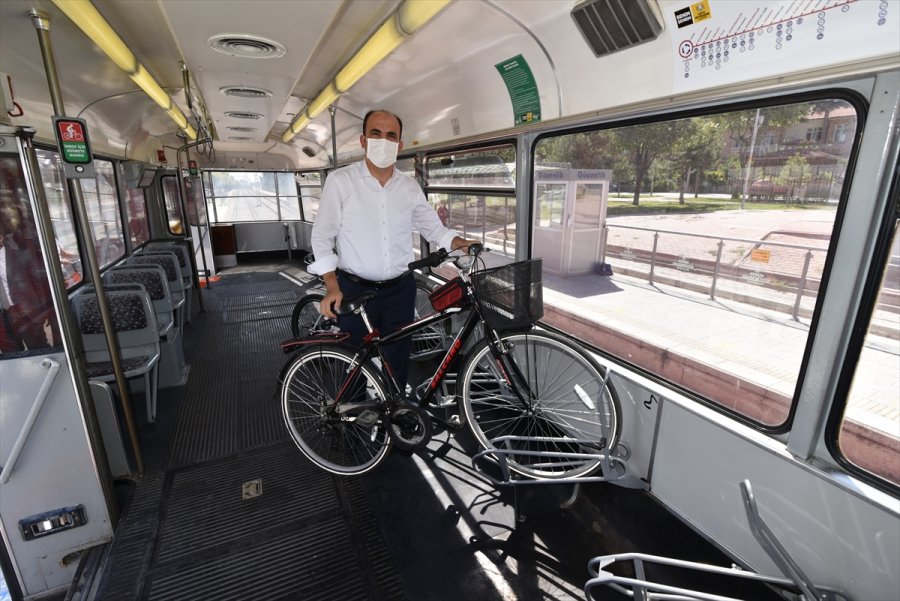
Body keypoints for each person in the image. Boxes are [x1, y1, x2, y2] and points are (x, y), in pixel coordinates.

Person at [308, 109, 478, 392]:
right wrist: (331, 285)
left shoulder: (409, 186)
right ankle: (349, 417)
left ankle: (394, 411)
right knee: (354, 359)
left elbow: (431, 227)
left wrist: (455, 241)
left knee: (397, 357)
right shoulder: (341, 181)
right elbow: (322, 235)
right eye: (376, 134)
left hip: (400, 290)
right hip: (355, 289)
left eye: (391, 136)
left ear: (399, 145)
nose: (383, 141)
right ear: (363, 140)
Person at [0, 215, 54, 353]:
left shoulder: (21, 257)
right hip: (3, 318)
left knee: (38, 349)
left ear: (1, 237)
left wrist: (43, 311)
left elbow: (38, 285)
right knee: (11, 355)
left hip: (25, 312)